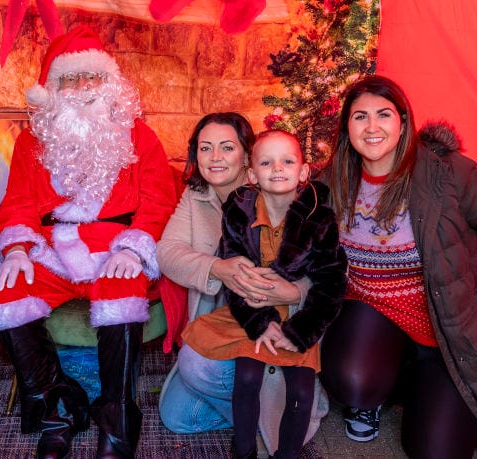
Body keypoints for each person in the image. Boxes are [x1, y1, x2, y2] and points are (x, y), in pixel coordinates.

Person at [0, 25, 177, 458]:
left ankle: (117, 417)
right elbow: (17, 202)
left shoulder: (139, 135)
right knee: (6, 290)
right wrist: (15, 250)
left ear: (111, 83)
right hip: (51, 248)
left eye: (93, 77)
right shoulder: (32, 141)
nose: (83, 88)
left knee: (122, 288)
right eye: (71, 79)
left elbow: (160, 199)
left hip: (116, 244)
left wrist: (133, 246)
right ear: (53, 88)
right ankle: (59, 407)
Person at [319, 75, 477, 458]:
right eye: (360, 117)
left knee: (437, 452)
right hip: (372, 314)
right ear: (347, 128)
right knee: (352, 381)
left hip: (445, 327)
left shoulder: (448, 172)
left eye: (383, 115)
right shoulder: (332, 180)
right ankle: (375, 388)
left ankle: (414, 383)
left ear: (403, 122)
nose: (372, 127)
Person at [156, 114, 328, 456]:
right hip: (226, 321)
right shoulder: (197, 196)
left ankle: (277, 415)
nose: (215, 157)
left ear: (246, 156)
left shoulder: (279, 194)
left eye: (226, 147)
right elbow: (167, 253)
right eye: (205, 148)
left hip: (275, 327)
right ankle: (260, 417)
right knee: (177, 417)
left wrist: (294, 292)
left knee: (196, 364)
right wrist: (218, 268)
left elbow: (325, 267)